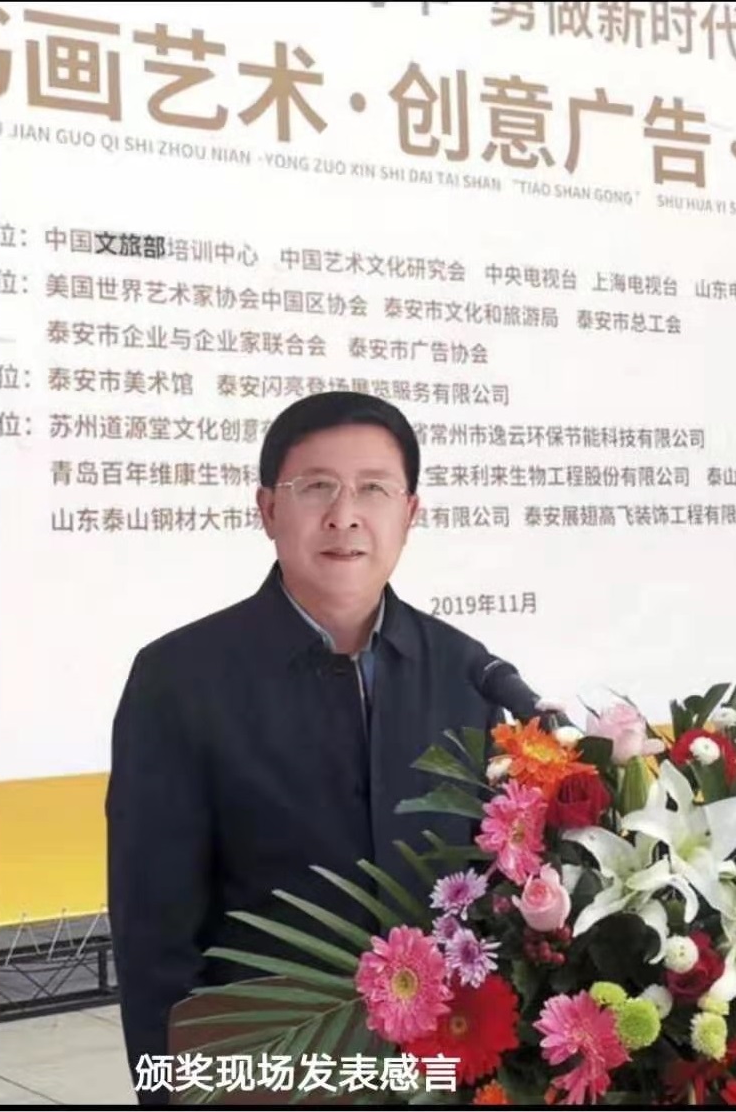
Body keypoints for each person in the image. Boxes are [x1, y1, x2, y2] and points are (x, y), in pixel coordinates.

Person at [106, 391, 502, 1104]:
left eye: (373, 489)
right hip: (266, 1064)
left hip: (439, 1067)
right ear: (267, 510)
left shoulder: (466, 671)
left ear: (410, 514)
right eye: (316, 486)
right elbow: (153, 934)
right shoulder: (180, 678)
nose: (344, 514)